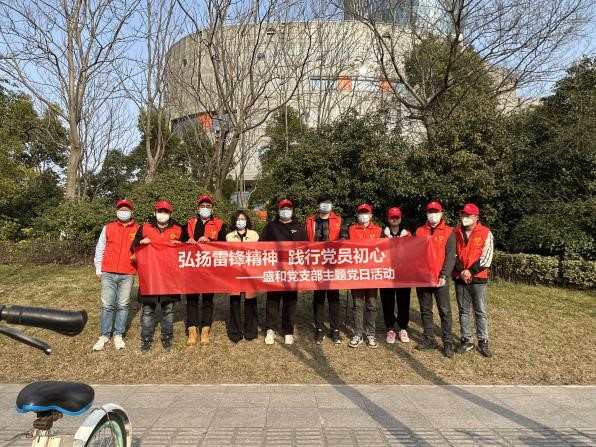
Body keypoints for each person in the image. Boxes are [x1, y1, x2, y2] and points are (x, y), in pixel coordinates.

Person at [131, 200, 184, 353]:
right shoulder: (145, 227)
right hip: (150, 276)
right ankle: (146, 338)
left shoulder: (178, 229)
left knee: (168, 310)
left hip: (170, 277)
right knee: (148, 310)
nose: (162, 214)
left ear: (170, 214)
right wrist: (141, 242)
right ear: (155, 213)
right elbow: (133, 246)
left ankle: (167, 336)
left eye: (166, 211)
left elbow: (187, 249)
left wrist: (180, 245)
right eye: (160, 211)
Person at [92, 199, 140, 351]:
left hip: (128, 273)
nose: (123, 211)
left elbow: (143, 250)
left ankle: (118, 334)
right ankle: (104, 335)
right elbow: (100, 248)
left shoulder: (138, 229)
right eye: (121, 209)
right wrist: (98, 269)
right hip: (108, 272)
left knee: (123, 305)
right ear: (117, 211)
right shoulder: (108, 228)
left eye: (126, 209)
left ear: (131, 212)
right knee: (107, 305)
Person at [260, 199, 308, 345]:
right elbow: (261, 246)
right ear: (278, 210)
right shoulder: (270, 227)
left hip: (292, 271)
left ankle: (288, 331)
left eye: (288, 208)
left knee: (290, 301)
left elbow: (306, 249)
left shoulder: (299, 227)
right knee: (272, 300)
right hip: (274, 270)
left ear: (292, 211)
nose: (285, 211)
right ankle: (270, 329)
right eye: (283, 208)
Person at [415, 201, 456, 358]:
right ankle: (429, 338)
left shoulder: (449, 231)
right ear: (426, 214)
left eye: (436, 211)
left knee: (444, 311)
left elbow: (450, 256)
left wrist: (444, 275)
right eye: (430, 212)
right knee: (425, 310)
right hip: (423, 278)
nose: (433, 214)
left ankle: (447, 342)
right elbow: (415, 254)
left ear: (441, 213)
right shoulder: (419, 231)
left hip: (440, 279)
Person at [305, 193, 348, 345]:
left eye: (328, 202)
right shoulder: (310, 221)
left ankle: (335, 329)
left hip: (333, 264)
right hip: (316, 264)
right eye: (323, 202)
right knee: (318, 297)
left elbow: (345, 238)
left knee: (334, 297)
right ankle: (319, 328)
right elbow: (304, 240)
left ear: (332, 204)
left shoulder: (339, 220)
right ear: (318, 205)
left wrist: (335, 245)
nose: (325, 204)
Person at [184, 195, 226, 347]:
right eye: (202, 206)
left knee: (208, 299)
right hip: (192, 266)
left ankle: (205, 329)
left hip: (209, 267)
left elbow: (224, 244)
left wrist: (211, 241)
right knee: (191, 299)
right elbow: (180, 242)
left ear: (212, 209)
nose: (205, 208)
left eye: (208, 206)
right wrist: (187, 241)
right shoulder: (189, 223)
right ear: (197, 208)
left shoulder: (219, 224)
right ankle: (192, 329)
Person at [452, 203, 494, 358]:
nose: (465, 217)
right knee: (463, 311)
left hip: (478, 278)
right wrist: (462, 271)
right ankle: (466, 340)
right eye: (463, 214)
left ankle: (483, 341)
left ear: (476, 217)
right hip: (460, 277)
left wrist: (470, 271)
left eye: (468, 215)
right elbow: (452, 254)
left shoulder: (486, 233)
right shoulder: (455, 232)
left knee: (480, 311)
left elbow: (486, 257)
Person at [348, 203, 383, 349]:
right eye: (361, 213)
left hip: (372, 273)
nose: (363, 215)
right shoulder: (351, 229)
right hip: (356, 273)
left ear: (371, 215)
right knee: (357, 304)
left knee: (371, 304)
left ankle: (371, 334)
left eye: (366, 213)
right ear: (357, 215)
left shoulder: (379, 230)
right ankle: (357, 334)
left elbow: (386, 250)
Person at [226, 210, 260, 343]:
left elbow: (259, 252)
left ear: (247, 221)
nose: (240, 221)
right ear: (234, 221)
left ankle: (250, 331)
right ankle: (235, 332)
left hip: (250, 272)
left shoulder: (254, 235)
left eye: (243, 219)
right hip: (234, 273)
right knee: (234, 302)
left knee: (250, 302)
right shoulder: (229, 236)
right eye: (238, 219)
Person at [380, 207, 412, 344]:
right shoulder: (382, 234)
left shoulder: (407, 234)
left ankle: (403, 328)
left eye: (396, 217)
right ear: (388, 219)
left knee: (403, 300)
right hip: (386, 272)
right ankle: (390, 328)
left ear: (400, 218)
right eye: (392, 217)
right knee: (387, 300)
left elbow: (413, 251)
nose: (394, 219)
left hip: (403, 273)